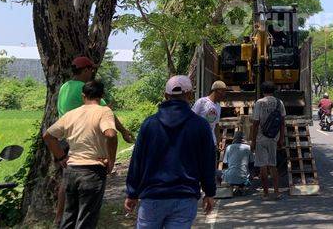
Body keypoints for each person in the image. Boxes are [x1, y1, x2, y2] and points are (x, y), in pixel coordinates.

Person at [124, 75, 215, 228]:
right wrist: (209, 193)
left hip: (152, 197)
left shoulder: (149, 124)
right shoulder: (201, 126)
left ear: (166, 96)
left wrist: (132, 193)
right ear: (190, 95)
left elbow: (137, 160)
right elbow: (207, 162)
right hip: (185, 198)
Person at [54, 56, 133, 225]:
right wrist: (124, 132)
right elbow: (106, 113)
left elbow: (48, 135)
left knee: (67, 180)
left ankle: (59, 216)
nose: (92, 73)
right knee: (86, 213)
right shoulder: (85, 89)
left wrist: (60, 157)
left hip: (65, 140)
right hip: (83, 142)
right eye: (91, 69)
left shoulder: (64, 87)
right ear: (85, 70)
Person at [43, 80, 118, 229]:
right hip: (92, 171)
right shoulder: (104, 111)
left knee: (69, 216)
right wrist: (111, 160)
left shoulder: (71, 114)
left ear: (83, 96)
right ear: (102, 95)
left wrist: (61, 157)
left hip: (71, 171)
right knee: (86, 219)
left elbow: (48, 136)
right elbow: (110, 134)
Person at [250, 81, 286, 200]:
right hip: (273, 138)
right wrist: (281, 138)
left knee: (262, 166)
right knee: (273, 165)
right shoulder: (279, 102)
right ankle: (277, 192)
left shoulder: (259, 103)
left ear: (262, 91)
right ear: (273, 90)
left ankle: (265, 193)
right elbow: (282, 123)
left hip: (261, 138)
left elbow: (255, 123)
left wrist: (253, 141)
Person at [192, 80, 228, 150]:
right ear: (217, 91)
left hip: (211, 142)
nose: (224, 94)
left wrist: (219, 141)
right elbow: (191, 119)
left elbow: (216, 125)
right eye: (223, 91)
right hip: (199, 141)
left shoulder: (218, 106)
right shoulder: (202, 102)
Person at [222, 131, 253, 196]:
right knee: (248, 171)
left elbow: (225, 162)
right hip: (244, 178)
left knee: (217, 173)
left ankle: (224, 190)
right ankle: (242, 187)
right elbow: (251, 163)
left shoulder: (229, 147)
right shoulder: (248, 147)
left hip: (230, 177)